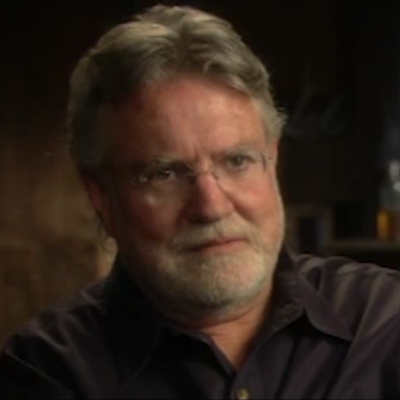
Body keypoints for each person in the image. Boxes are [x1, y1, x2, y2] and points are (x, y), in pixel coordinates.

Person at [1, 4, 400, 399]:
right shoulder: (49, 371)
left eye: (237, 161)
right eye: (165, 174)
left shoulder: (385, 322)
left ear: (273, 160)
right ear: (101, 195)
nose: (211, 206)